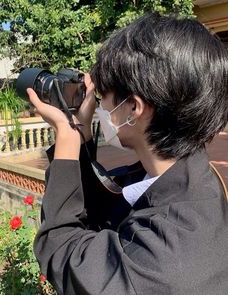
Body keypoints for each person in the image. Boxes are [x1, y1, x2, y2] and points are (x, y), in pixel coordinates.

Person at [29, 13, 228, 295]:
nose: (99, 107)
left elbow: (61, 250)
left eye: (103, 96)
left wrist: (67, 142)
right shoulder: (193, 180)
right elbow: (109, 208)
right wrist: (83, 136)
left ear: (134, 108)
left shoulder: (157, 264)